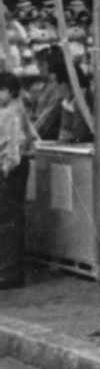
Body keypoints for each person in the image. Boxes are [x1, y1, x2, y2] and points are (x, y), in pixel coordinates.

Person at [0, 71, 35, 289]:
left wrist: (6, 168)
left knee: (8, 219)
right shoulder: (12, 110)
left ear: (11, 91)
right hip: (12, 167)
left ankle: (10, 271)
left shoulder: (12, 112)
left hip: (11, 169)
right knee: (8, 219)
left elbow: (14, 145)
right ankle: (9, 269)